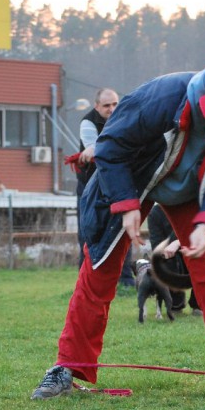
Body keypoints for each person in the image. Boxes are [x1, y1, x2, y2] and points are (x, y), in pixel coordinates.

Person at [32, 64, 205, 399]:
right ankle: (66, 368)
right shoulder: (162, 97)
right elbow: (110, 146)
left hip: (191, 193)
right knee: (98, 271)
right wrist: (126, 203)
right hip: (131, 180)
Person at [75, 87, 132, 287]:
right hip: (90, 187)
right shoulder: (88, 121)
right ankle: (86, 281)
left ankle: (126, 281)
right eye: (106, 105)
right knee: (88, 232)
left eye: (115, 104)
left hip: (117, 183)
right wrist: (93, 148)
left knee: (124, 229)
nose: (112, 109)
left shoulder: (125, 118)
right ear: (96, 106)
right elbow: (96, 148)